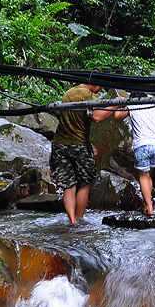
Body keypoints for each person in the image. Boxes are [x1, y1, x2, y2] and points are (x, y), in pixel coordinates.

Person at [50, 83, 114, 224]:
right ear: (93, 83)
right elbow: (97, 117)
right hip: (79, 146)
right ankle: (79, 218)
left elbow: (72, 122)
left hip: (60, 144)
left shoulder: (68, 93)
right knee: (85, 183)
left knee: (69, 184)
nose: (100, 89)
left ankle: (72, 220)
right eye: (99, 86)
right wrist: (116, 105)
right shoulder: (88, 95)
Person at [114, 97, 155, 216]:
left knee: (143, 177)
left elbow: (117, 118)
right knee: (148, 177)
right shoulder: (154, 106)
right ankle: (147, 203)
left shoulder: (131, 105)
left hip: (142, 146)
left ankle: (149, 206)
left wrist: (118, 104)